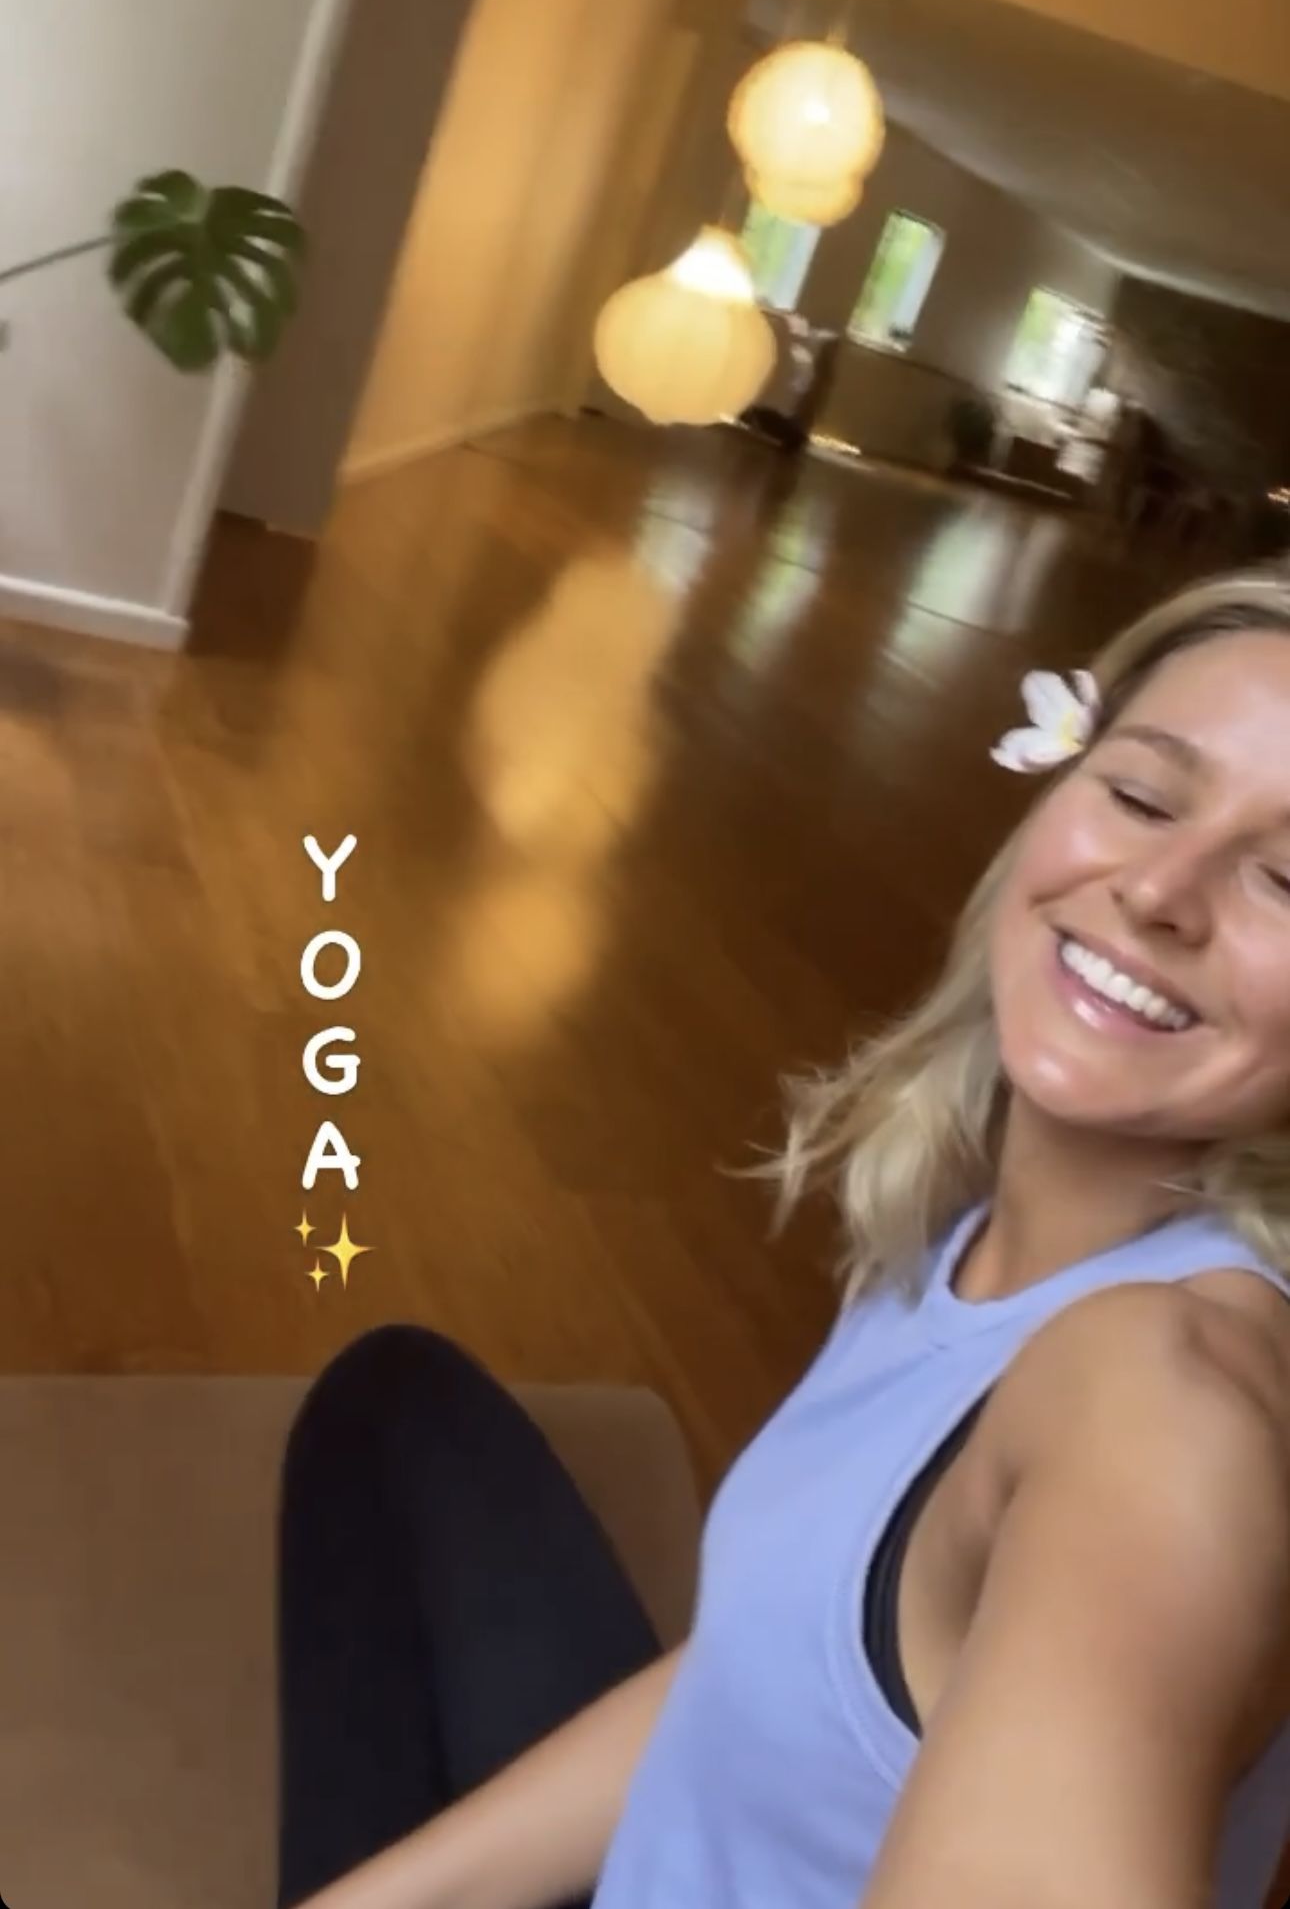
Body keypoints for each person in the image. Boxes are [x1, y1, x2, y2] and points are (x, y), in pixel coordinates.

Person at [276, 561, 1290, 1909]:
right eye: (1143, 795)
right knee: (397, 1409)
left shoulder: (1167, 1403)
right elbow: (756, 1669)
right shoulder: (982, 1231)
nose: (1160, 888)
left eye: (1286, 880)